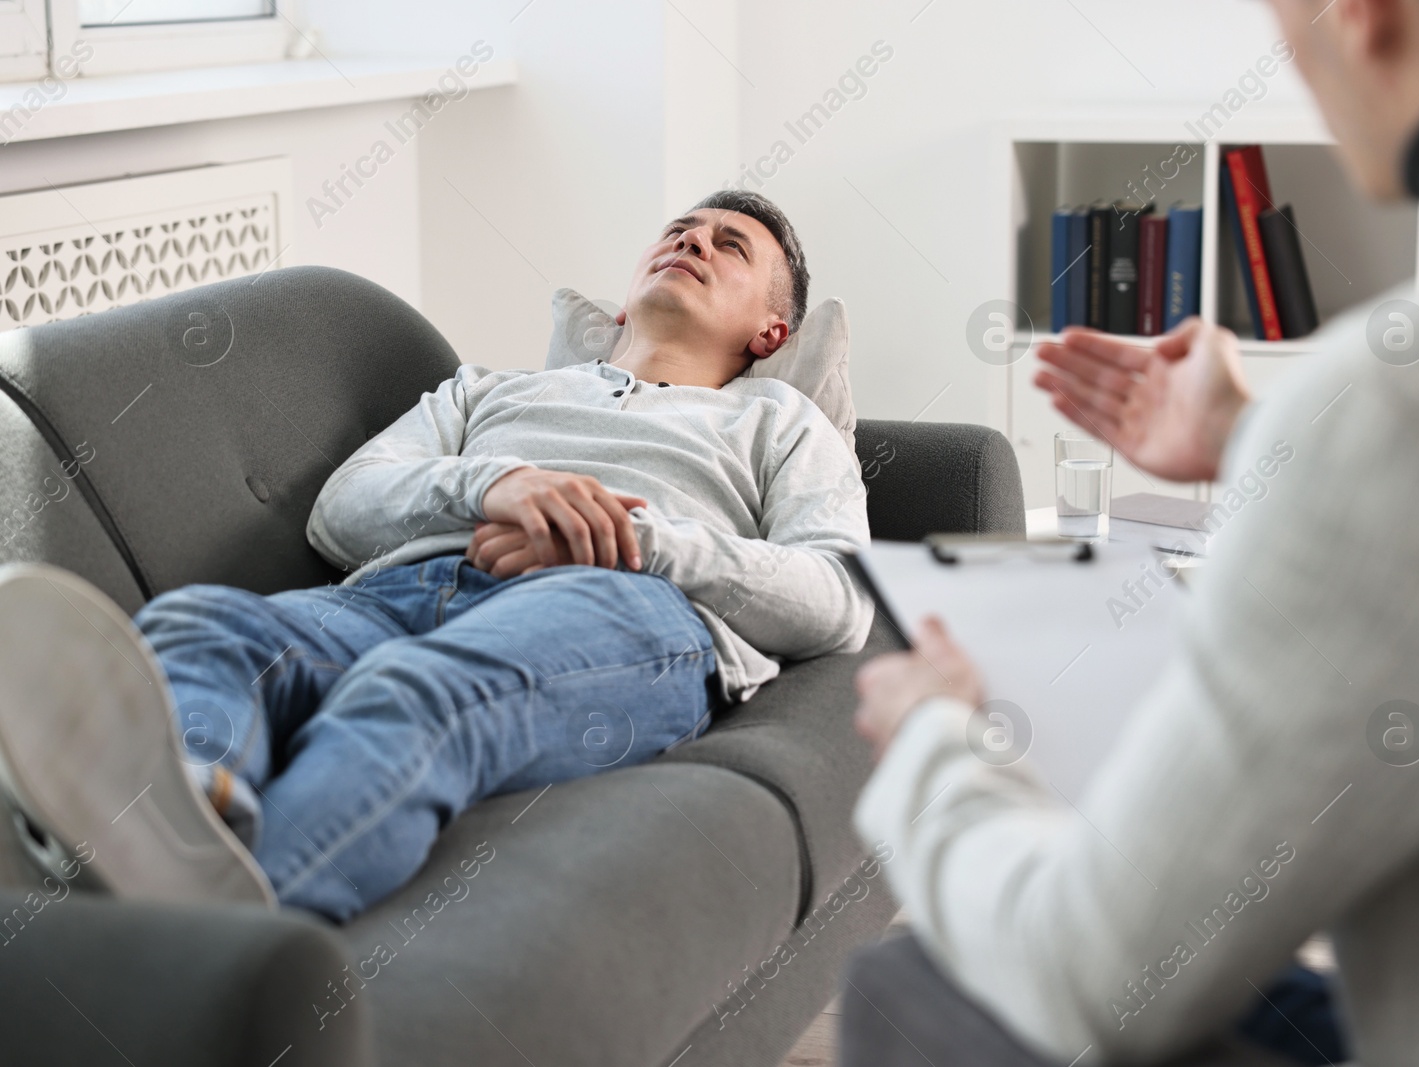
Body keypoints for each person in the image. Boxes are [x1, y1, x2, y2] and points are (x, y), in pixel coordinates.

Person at [847, 0, 1419, 1064]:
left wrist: (932, 743)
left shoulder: (1416, 399)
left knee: (917, 976)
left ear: (1362, 15)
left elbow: (1096, 968)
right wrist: (1264, 438)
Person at [0, 190, 872, 923]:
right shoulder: (489, 391)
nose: (693, 241)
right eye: (682, 229)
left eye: (730, 245)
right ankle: (187, 807)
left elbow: (838, 597)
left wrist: (630, 538)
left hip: (619, 604)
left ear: (770, 330)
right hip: (398, 589)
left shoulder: (776, 423)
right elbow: (344, 508)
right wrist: (498, 486)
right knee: (199, 624)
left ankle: (222, 945)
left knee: (413, 694)